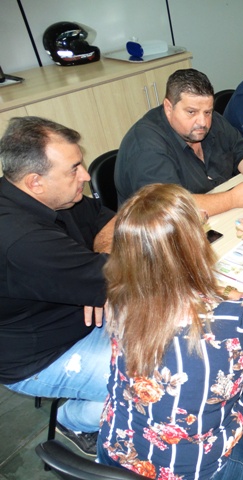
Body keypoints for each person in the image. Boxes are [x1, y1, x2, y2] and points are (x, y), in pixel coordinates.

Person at [97, 183, 243, 479]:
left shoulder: (118, 297)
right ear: (194, 246)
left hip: (115, 456)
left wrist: (225, 294)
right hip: (201, 472)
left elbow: (167, 289)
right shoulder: (232, 323)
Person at [0, 117, 115, 456]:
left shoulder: (56, 197)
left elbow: (110, 218)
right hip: (42, 354)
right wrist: (98, 279)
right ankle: (74, 418)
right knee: (166, 382)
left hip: (76, 316)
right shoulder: (22, 239)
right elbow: (124, 276)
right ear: (35, 182)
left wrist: (94, 273)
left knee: (177, 335)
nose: (85, 177)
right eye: (74, 169)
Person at [115, 68, 243, 216]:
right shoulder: (146, 146)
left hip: (215, 216)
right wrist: (232, 199)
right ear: (168, 107)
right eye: (191, 112)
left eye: (207, 112)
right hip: (162, 234)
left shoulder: (209, 120)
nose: (203, 122)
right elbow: (169, 207)